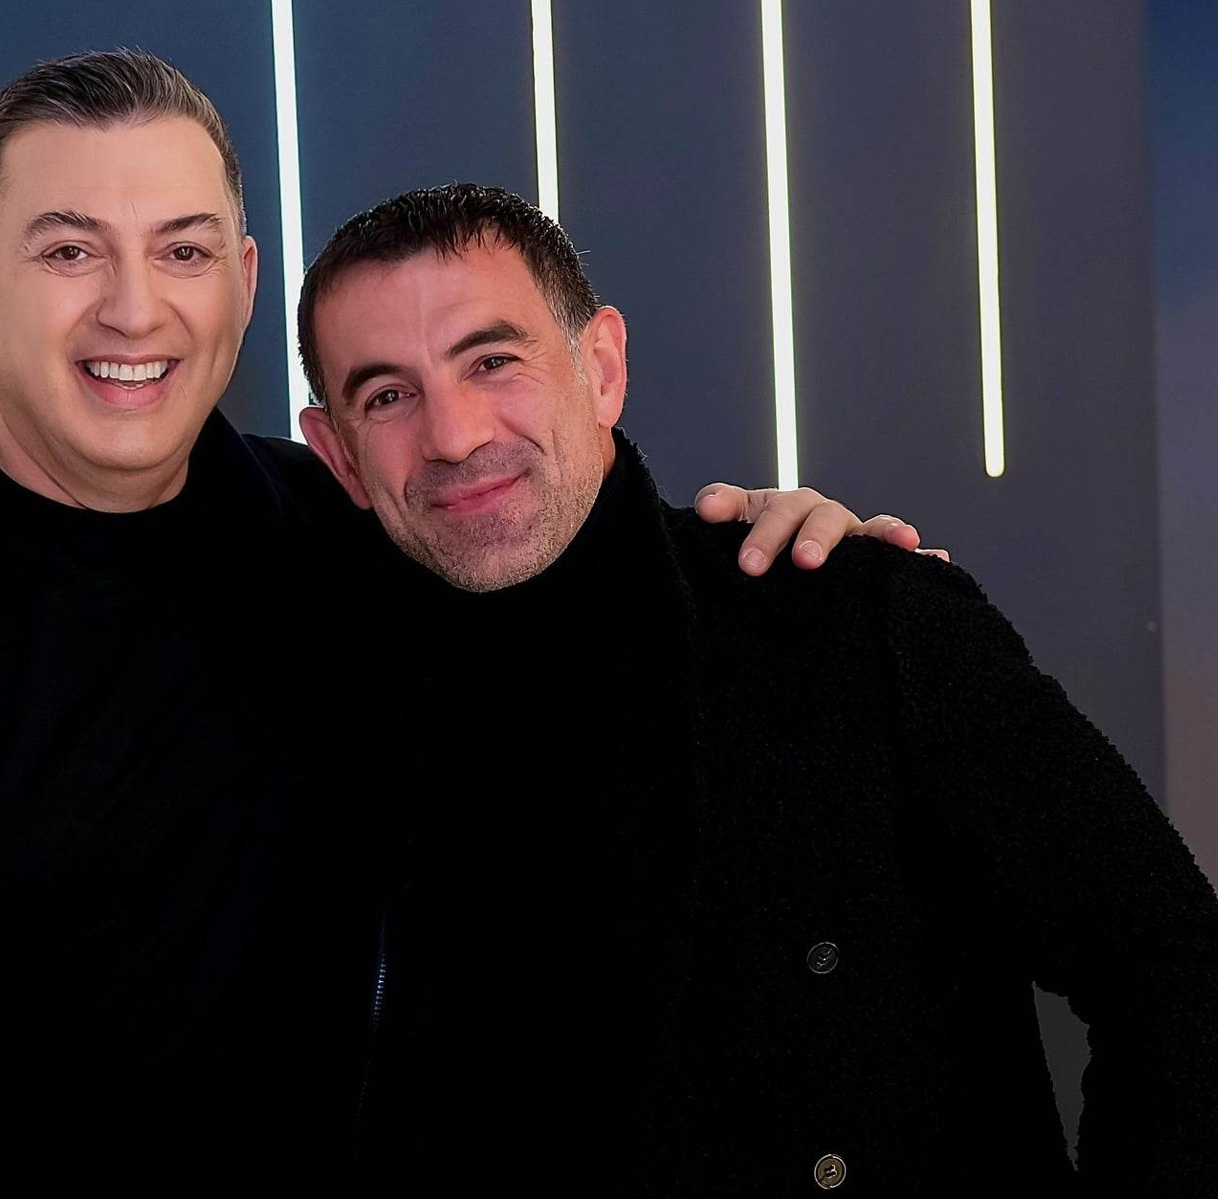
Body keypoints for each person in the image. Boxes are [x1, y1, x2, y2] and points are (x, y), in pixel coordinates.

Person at [0, 52, 926, 1194]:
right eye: (69, 249)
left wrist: (790, 558)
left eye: (181, 250)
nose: (134, 308)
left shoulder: (349, 548)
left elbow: (584, 627)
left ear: (243, 281)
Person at [294, 181, 1218, 1193]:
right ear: (337, 454)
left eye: (492, 361)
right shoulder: (314, 723)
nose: (454, 434)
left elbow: (1173, 968)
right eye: (387, 396)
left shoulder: (852, 615)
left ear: (601, 368)